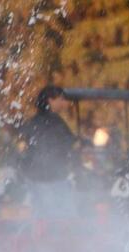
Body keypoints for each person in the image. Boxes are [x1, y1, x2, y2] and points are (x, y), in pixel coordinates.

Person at [17, 85, 77, 219]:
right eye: (61, 99)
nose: (63, 103)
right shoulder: (56, 122)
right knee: (61, 215)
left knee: (40, 214)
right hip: (54, 177)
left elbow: (24, 146)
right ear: (50, 100)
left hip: (34, 176)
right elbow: (69, 143)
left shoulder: (32, 122)